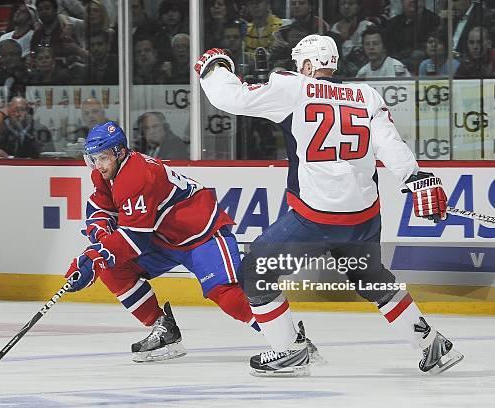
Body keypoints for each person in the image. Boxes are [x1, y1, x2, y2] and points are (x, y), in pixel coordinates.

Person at [195, 36, 463, 376]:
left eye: (299, 64)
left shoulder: (293, 88)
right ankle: (431, 344)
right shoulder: (367, 95)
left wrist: (215, 68)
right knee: (371, 277)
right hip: (363, 214)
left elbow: (230, 98)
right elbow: (390, 144)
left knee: (256, 270)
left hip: (317, 217)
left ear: (307, 65)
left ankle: (287, 351)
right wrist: (415, 177)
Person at [63, 121, 270, 362]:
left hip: (200, 233)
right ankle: (165, 330)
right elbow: (100, 207)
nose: (98, 165)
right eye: (93, 159)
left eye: (103, 157)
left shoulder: (136, 175)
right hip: (162, 237)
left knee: (224, 293)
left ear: (120, 152)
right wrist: (100, 239)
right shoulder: (106, 173)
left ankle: (288, 341)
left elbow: (135, 238)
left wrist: (97, 256)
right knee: (112, 269)